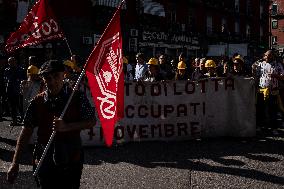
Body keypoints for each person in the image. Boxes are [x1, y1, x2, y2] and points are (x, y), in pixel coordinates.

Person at [7, 60, 96, 188]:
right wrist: (15, 163)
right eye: (48, 78)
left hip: (71, 156)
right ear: (43, 79)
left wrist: (67, 127)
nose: (52, 81)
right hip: (44, 157)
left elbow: (91, 121)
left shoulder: (77, 97)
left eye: (56, 76)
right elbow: (26, 131)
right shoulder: (37, 102)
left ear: (63, 75)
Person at [252, 50, 284, 134]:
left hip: (273, 91)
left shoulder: (278, 65)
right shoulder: (260, 64)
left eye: (269, 55)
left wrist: (275, 76)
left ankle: (274, 128)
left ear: (273, 56)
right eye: (266, 55)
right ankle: (259, 126)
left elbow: (282, 77)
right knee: (260, 109)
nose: (267, 57)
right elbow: (256, 75)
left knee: (273, 110)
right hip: (261, 90)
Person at [4, 56, 25, 126]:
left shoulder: (21, 70)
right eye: (10, 62)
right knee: (12, 107)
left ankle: (23, 119)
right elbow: (6, 80)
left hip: (18, 91)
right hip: (9, 91)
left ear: (15, 62)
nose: (11, 63)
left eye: (12, 61)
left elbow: (23, 79)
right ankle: (14, 120)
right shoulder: (7, 70)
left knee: (20, 106)